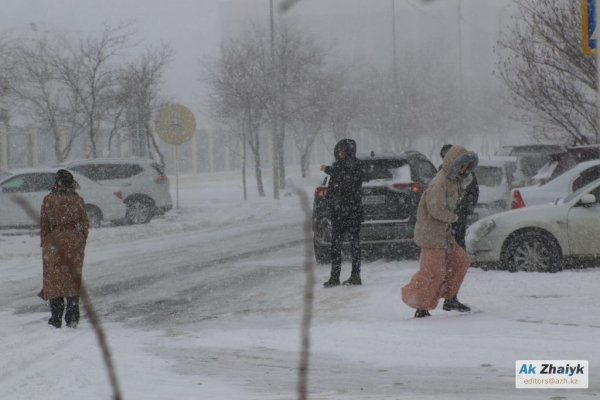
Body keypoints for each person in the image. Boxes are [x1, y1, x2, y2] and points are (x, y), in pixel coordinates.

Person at [402, 146, 478, 318]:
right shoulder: (439, 182)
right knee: (432, 272)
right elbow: (436, 209)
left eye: (467, 166)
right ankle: (420, 305)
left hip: (444, 234)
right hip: (431, 235)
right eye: (462, 166)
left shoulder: (454, 182)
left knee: (460, 262)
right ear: (453, 164)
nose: (464, 170)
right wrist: (454, 217)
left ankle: (451, 298)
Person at [38, 169, 89, 328]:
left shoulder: (48, 199)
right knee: (72, 280)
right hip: (73, 242)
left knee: (54, 281)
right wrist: (80, 240)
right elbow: (85, 223)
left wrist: (45, 242)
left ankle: (56, 318)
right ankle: (73, 317)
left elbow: (44, 224)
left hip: (53, 242)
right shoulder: (77, 200)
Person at [320, 139, 365, 288]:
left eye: (343, 151)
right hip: (339, 212)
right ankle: (335, 276)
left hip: (351, 212)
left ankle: (355, 275)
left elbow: (347, 180)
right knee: (335, 245)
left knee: (354, 245)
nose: (341, 154)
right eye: (339, 151)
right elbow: (336, 184)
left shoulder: (354, 166)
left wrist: (329, 169)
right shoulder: (338, 167)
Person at [439, 144, 479, 249]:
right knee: (447, 240)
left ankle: (458, 261)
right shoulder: (441, 171)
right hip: (447, 213)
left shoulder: (467, 172)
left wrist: (466, 207)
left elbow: (473, 192)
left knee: (458, 239)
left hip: (459, 212)